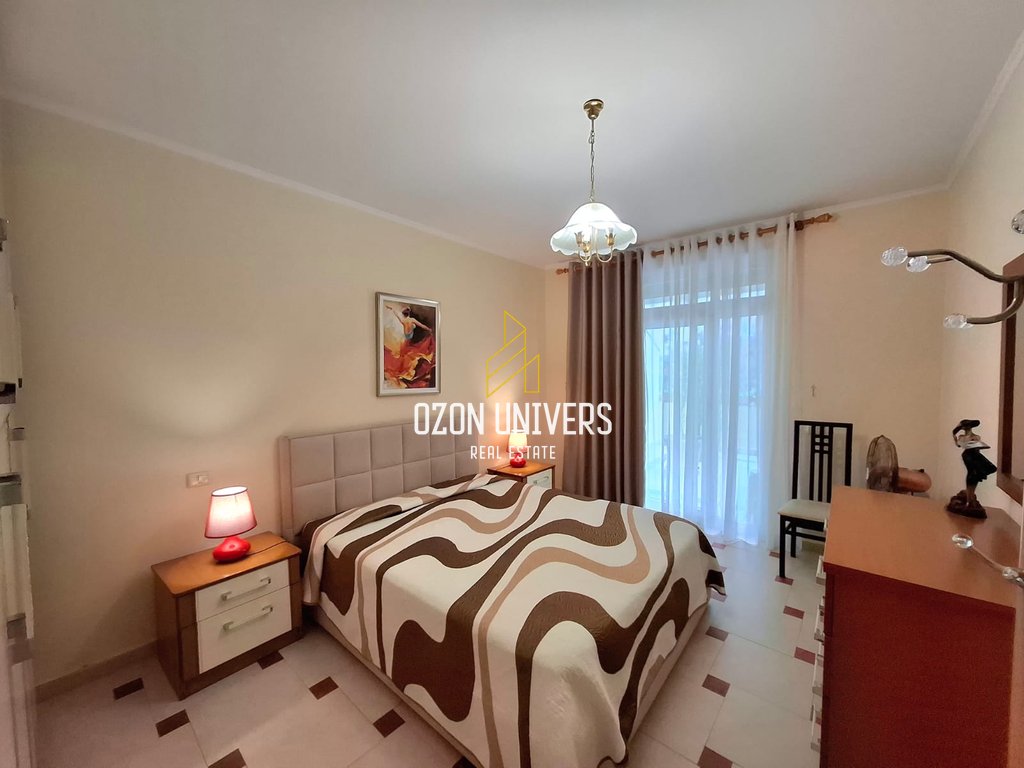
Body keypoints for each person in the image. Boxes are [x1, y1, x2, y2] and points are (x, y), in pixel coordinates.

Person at [946, 419, 996, 519]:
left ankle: (971, 496)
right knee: (971, 473)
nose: (966, 428)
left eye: (968, 426)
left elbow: (978, 446)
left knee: (977, 474)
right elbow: (959, 445)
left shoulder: (976, 437)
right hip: (968, 456)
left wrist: (976, 446)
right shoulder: (962, 437)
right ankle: (969, 499)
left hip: (975, 455)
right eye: (964, 426)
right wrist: (955, 438)